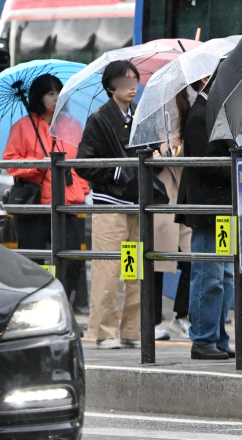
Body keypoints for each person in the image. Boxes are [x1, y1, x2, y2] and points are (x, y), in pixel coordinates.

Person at [76, 61, 145, 349]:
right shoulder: (99, 119)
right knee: (107, 268)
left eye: (135, 80)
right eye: (125, 81)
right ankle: (104, 331)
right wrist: (116, 171)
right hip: (109, 203)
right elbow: (83, 163)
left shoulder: (139, 114)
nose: (132, 86)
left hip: (134, 201)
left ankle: (132, 330)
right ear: (110, 87)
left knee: (134, 270)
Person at [5, 73, 89, 305]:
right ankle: (33, 307)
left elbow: (80, 163)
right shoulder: (23, 127)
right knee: (33, 262)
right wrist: (37, 164)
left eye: (59, 93)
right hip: (35, 205)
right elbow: (10, 162)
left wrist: (83, 189)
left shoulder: (72, 126)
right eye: (50, 93)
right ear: (38, 97)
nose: (55, 98)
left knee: (71, 260)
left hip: (66, 204)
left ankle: (65, 307)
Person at [178, 77, 241, 360]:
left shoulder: (214, 112)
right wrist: (237, 162)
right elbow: (206, 163)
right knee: (209, 275)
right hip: (208, 208)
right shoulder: (200, 115)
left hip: (222, 207)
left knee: (224, 277)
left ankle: (217, 337)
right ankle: (203, 339)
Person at [154, 86, 195, 342]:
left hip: (183, 198)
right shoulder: (151, 121)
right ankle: (152, 320)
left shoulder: (189, 119)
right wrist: (160, 152)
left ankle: (182, 315)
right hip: (161, 198)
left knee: (193, 258)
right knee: (156, 261)